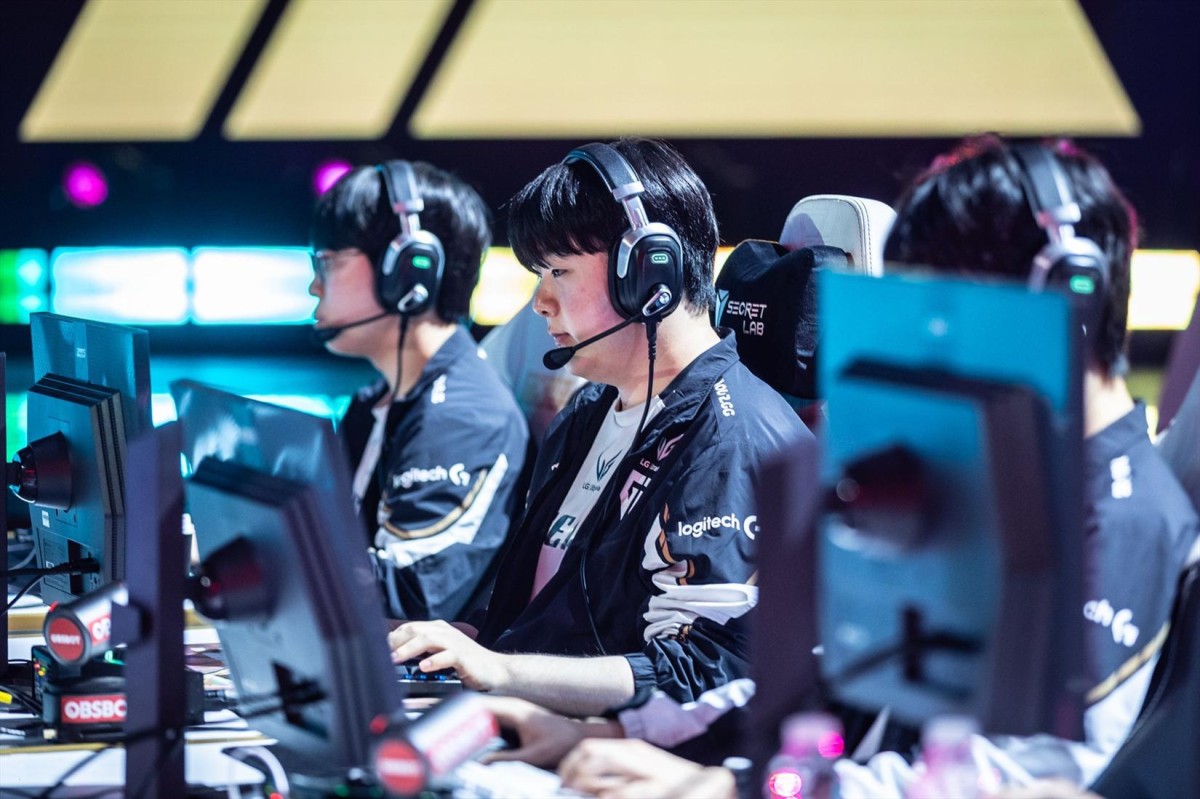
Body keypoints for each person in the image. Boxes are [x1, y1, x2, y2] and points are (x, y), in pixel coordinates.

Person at [388, 138, 809, 716]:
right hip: (529, 726)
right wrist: (460, 642)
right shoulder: (588, 412)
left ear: (649, 273)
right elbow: (549, 618)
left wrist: (502, 670)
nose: (540, 301)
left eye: (558, 271)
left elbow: (703, 677)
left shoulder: (729, 445)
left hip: (610, 750)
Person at [881, 135, 1199, 785]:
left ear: (1063, 295)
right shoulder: (1018, 494)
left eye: (948, 313)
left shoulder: (1125, 523)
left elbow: (1024, 774)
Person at [309, 160, 530, 622]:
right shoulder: (374, 404)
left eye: (328, 264)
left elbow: (408, 602)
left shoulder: (463, 419)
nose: (314, 286)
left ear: (410, 270)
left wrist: (260, 563)